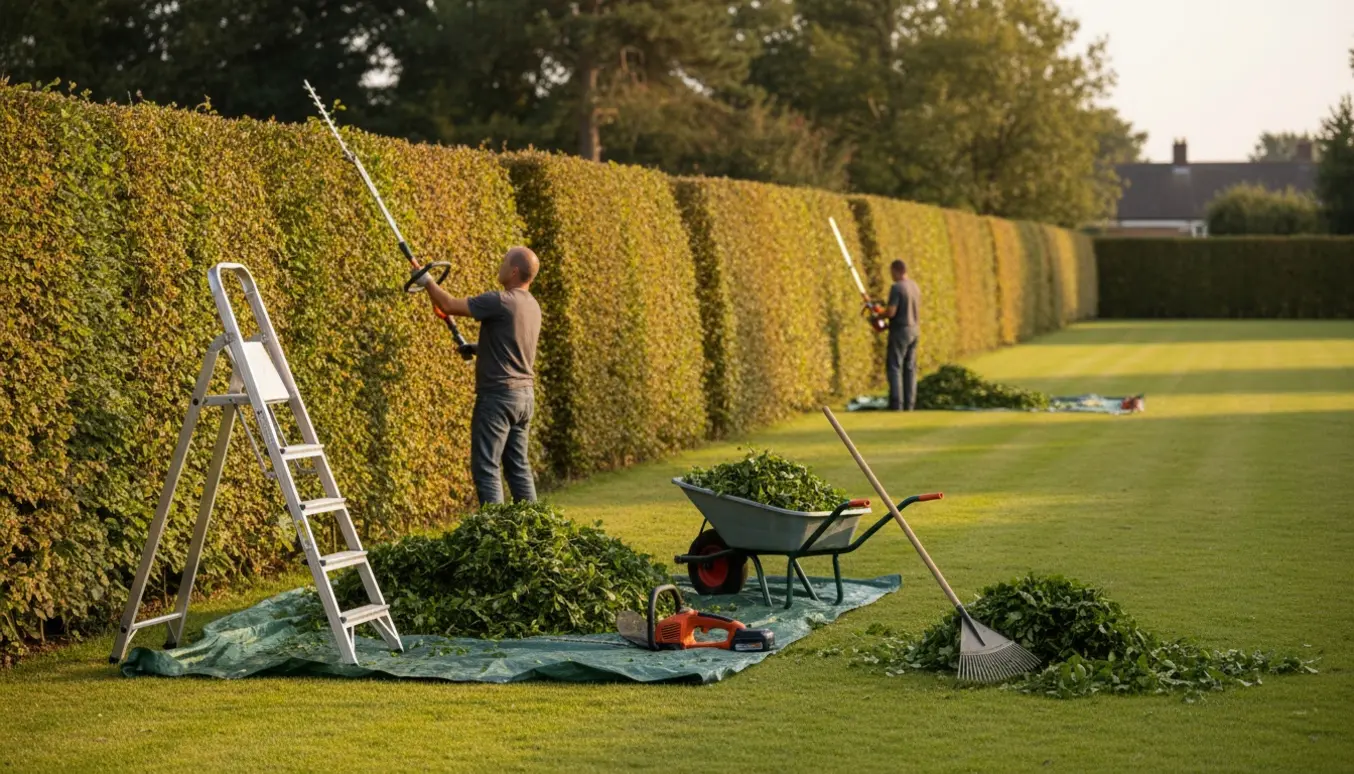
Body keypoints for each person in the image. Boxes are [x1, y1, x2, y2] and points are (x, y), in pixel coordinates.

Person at [419, 246, 542, 505]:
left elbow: (448, 304)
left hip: (498, 397)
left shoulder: (500, 300)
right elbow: (514, 345)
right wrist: (477, 348)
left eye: (504, 261)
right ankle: (534, 531)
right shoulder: (532, 306)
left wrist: (427, 281)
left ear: (514, 270)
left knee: (486, 467)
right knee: (518, 467)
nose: (501, 264)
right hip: (524, 397)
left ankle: (494, 536)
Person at [885, 259, 921, 411]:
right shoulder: (914, 286)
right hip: (914, 329)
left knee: (894, 366)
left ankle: (896, 404)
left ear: (896, 271)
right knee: (910, 368)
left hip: (900, 330)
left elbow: (891, 312)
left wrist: (879, 314)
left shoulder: (897, 288)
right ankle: (910, 404)